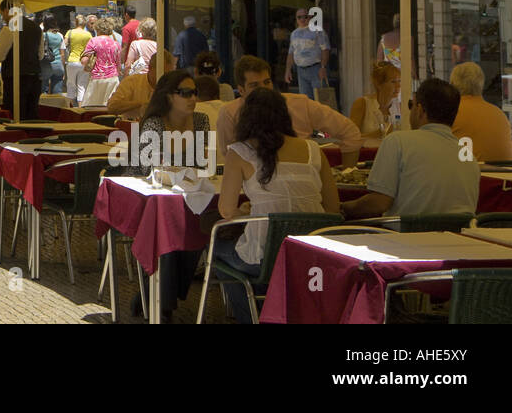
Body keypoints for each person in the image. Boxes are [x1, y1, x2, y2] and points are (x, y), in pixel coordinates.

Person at [216, 88, 340, 322]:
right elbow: (333, 208)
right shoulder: (314, 150)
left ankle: (254, 317)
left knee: (216, 251)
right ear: (284, 115)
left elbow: (225, 210)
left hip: (264, 256)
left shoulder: (240, 152)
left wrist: (245, 211)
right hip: (311, 257)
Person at [126, 70, 211, 321]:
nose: (192, 97)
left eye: (195, 92)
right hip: (146, 198)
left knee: (195, 224)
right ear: (168, 96)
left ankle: (157, 296)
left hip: (188, 197)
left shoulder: (202, 121)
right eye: (185, 93)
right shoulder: (154, 123)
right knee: (169, 224)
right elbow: (144, 169)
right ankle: (162, 302)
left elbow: (209, 165)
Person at [342, 78, 481, 219]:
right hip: (459, 237)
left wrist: (342, 207)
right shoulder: (468, 156)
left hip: (404, 237)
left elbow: (378, 203)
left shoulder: (397, 142)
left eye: (411, 105)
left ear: (420, 110)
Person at [220, 56, 362, 168]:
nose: (263, 89)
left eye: (267, 82)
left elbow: (350, 132)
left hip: (304, 181)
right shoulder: (230, 113)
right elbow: (228, 155)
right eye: (254, 85)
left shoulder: (299, 104)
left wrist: (347, 171)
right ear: (241, 90)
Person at [0, 0, 44, 120]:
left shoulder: (9, 28)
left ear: (8, 10)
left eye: (2, 13)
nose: (3, 17)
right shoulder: (36, 28)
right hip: (34, 78)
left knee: (14, 115)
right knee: (31, 116)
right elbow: (40, 55)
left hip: (15, 80)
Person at [449, 62, 512, 162]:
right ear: (481, 84)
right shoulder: (499, 114)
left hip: (472, 175)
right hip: (502, 176)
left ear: (453, 84)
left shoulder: (450, 113)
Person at [107, 50, 175, 120]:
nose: (166, 77)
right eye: (162, 72)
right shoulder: (132, 82)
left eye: (170, 74)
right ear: (150, 68)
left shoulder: (174, 87)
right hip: (132, 129)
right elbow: (112, 107)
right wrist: (141, 104)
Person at [349, 61, 401, 143]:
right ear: (379, 84)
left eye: (399, 81)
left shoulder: (400, 107)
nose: (398, 86)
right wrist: (378, 133)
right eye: (393, 82)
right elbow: (350, 138)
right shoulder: (362, 104)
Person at [284, 7, 329, 99]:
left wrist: (323, 67)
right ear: (296, 19)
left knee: (321, 99)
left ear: (309, 17)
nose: (302, 19)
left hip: (316, 69)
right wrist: (288, 70)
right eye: (299, 17)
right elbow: (291, 53)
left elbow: (325, 49)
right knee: (306, 100)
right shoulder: (294, 34)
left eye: (305, 17)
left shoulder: (318, 31)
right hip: (301, 70)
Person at [80, 16, 120, 107]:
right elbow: (118, 64)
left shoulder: (93, 41)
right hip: (112, 79)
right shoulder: (116, 44)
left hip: (97, 78)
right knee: (109, 107)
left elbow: (84, 61)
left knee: (92, 107)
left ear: (97, 28)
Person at [63, 14, 92, 104]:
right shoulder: (88, 34)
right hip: (83, 62)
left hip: (72, 61)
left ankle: (69, 108)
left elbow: (64, 45)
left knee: (71, 85)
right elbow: (91, 48)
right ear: (85, 24)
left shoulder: (70, 32)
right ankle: (80, 108)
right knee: (82, 86)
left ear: (75, 23)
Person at [41, 14, 65, 94]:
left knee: (43, 89)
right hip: (58, 64)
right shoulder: (60, 35)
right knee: (57, 91)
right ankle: (57, 105)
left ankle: (44, 105)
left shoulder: (43, 35)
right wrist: (63, 68)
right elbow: (62, 54)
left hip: (46, 64)